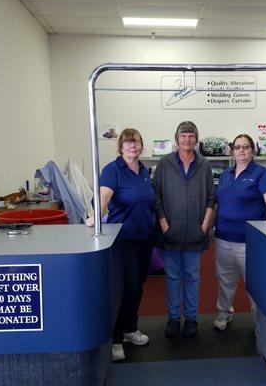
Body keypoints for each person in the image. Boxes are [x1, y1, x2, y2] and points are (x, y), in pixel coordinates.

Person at [87, 128, 155, 361]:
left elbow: (148, 202)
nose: (132, 146)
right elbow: (104, 197)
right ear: (120, 147)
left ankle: (129, 329)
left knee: (138, 288)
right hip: (123, 240)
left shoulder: (144, 170)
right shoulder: (113, 170)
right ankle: (115, 339)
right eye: (127, 143)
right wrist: (96, 217)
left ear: (141, 145)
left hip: (145, 238)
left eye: (135, 142)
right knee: (126, 289)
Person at [154, 121, 215, 339]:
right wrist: (164, 225)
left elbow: (211, 198)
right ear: (177, 138)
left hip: (195, 232)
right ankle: (173, 318)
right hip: (171, 231)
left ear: (196, 139)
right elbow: (157, 196)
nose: (187, 140)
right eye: (183, 136)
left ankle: (190, 318)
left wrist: (204, 227)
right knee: (172, 276)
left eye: (191, 136)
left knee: (192, 276)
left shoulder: (205, 165)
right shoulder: (164, 163)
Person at [213, 134, 266, 331]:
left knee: (255, 285)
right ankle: (224, 313)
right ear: (232, 150)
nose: (241, 150)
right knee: (225, 281)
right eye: (237, 147)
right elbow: (219, 202)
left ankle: (260, 325)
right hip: (223, 238)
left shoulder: (262, 173)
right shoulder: (226, 174)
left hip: (249, 241)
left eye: (246, 147)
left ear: (252, 151)